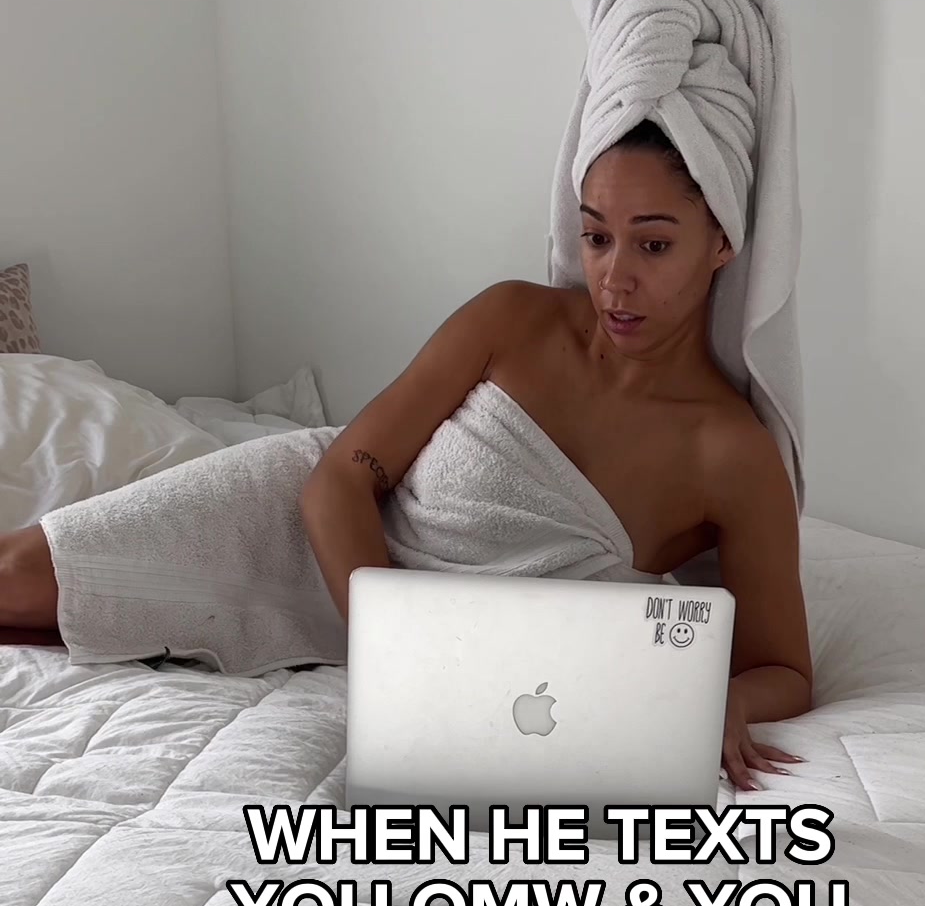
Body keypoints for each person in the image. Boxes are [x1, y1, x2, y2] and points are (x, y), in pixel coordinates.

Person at [0, 120, 812, 791]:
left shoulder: (731, 453)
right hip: (308, 532)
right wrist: (396, 655)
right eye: (597, 237)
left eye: (654, 246)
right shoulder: (513, 320)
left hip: (446, 652)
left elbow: (785, 668)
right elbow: (339, 480)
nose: (615, 279)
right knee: (17, 579)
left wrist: (725, 703)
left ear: (721, 243)